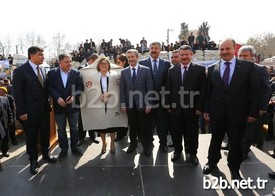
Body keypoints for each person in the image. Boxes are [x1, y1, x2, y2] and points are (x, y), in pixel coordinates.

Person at [203, 38, 260, 180]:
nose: (224, 52)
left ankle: (234, 169)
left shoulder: (247, 67)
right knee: (215, 140)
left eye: (227, 48)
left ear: (234, 49)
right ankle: (212, 162)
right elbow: (208, 92)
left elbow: (255, 92)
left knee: (235, 143)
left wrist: (253, 112)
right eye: (221, 49)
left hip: (238, 113)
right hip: (217, 112)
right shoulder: (212, 68)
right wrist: (206, 110)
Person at [13, 46, 57, 175]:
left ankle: (46, 154)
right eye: (40, 55)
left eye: (43, 54)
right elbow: (17, 93)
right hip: (29, 112)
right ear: (31, 56)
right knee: (31, 137)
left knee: (45, 133)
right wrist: (21, 112)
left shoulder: (42, 70)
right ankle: (33, 161)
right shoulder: (20, 71)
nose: (43, 57)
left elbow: (45, 89)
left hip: (44, 109)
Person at [165, 45, 206, 163]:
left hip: (193, 109)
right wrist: (168, 104)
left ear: (191, 55)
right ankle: (177, 151)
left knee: (192, 133)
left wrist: (200, 107)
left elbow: (203, 90)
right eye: (181, 55)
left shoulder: (199, 70)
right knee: (176, 131)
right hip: (175, 108)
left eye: (186, 54)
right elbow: (168, 88)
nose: (184, 57)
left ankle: (192, 153)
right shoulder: (172, 70)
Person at [48, 54, 84, 161]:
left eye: (70, 61)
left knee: (74, 128)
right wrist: (57, 98)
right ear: (60, 62)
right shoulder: (52, 73)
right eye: (67, 62)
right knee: (61, 129)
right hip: (59, 107)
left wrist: (74, 96)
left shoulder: (76, 73)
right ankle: (63, 149)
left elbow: (80, 87)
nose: (70, 63)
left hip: (73, 106)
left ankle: (75, 147)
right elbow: (50, 87)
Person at [238, 45, 270, 159]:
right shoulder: (235, 69)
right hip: (236, 106)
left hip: (252, 107)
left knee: (248, 131)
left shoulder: (260, 69)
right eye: (240, 55)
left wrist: (262, 107)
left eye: (245, 56)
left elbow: (266, 89)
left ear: (253, 57)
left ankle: (244, 151)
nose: (242, 58)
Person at [120, 49, 153, 156]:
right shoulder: (124, 72)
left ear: (137, 57)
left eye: (132, 57)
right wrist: (123, 103)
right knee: (132, 126)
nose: (130, 59)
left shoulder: (146, 70)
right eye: (128, 57)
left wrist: (149, 103)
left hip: (143, 105)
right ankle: (133, 144)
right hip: (130, 105)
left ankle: (146, 146)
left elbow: (149, 88)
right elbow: (122, 90)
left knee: (144, 126)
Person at [139, 42, 171, 153]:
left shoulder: (166, 64)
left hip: (162, 101)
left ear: (160, 49)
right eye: (152, 48)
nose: (153, 50)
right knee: (148, 125)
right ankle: (148, 144)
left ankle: (163, 143)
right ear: (149, 49)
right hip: (147, 100)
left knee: (162, 124)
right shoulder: (142, 63)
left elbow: (168, 83)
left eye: (156, 48)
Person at [77, 53, 99, 146]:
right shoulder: (81, 69)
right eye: (95, 62)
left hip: (93, 97)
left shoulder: (96, 69)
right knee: (82, 118)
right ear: (91, 60)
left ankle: (92, 136)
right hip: (83, 96)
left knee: (93, 116)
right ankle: (81, 137)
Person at [114, 53, 129, 141]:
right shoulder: (115, 71)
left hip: (129, 97)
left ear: (124, 62)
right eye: (116, 62)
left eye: (119, 62)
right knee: (120, 117)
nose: (117, 64)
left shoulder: (127, 71)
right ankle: (120, 134)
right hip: (118, 97)